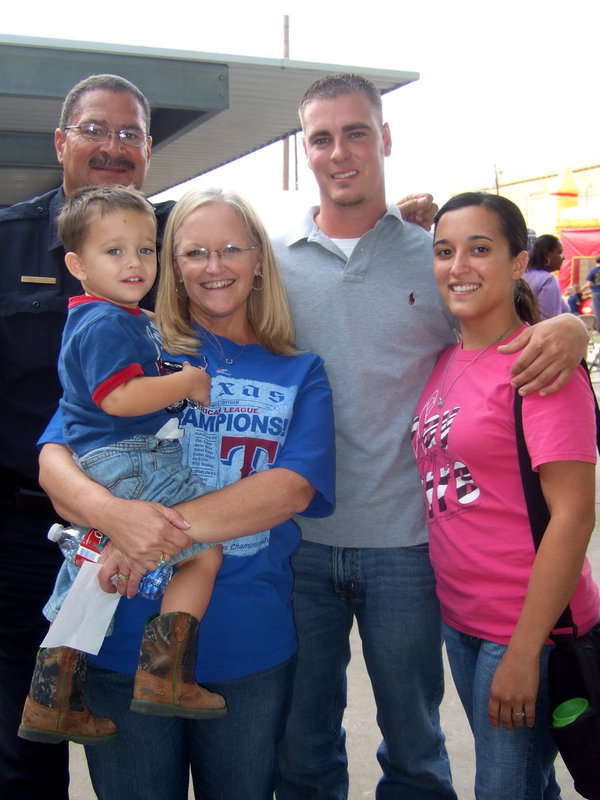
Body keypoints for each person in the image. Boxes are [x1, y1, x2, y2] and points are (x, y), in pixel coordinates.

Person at [272, 73, 590, 800]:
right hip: (302, 544)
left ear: (384, 139)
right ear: (305, 149)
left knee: (417, 749)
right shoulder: (272, 262)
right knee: (303, 746)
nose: (340, 151)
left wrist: (568, 327)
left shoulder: (433, 253)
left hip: (411, 551)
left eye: (357, 132)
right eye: (322, 137)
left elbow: (500, 327)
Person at [37, 186, 336, 799]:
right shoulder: (135, 347)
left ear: (259, 262)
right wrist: (116, 519)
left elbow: (288, 491)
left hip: (247, 648)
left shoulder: (299, 371)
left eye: (231, 249)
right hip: (119, 640)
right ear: (172, 266)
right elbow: (55, 463)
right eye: (194, 252)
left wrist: (151, 530)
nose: (214, 265)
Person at [0, 73, 182, 800]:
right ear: (61, 143)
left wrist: (536, 313)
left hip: (153, 525)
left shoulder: (181, 244)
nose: (113, 147)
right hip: (23, 533)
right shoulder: (8, 239)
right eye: (96, 130)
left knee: (140, 728)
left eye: (130, 134)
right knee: (25, 738)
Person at [19, 185, 231, 750]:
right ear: (76, 264)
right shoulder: (110, 323)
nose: (134, 263)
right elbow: (119, 398)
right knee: (202, 550)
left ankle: (51, 699)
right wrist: (186, 382)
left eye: (145, 249)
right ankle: (165, 676)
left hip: (104, 461)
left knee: (92, 575)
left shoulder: (103, 318)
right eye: (114, 252)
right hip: (128, 459)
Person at [412, 191, 600, 799]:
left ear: (519, 262)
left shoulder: (542, 366)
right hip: (463, 621)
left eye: (480, 249)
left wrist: (523, 651)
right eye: (445, 251)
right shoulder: (448, 359)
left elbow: (573, 517)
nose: (458, 265)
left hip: (526, 630)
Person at [524, 234, 568, 319]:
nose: (563, 257)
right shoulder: (548, 280)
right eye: (559, 252)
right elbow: (549, 319)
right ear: (546, 254)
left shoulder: (522, 275)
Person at [586, 255, 600, 330]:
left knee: (597, 311)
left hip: (596, 292)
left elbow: (588, 284)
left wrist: (592, 288)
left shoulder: (593, 270)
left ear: (596, 261)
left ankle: (598, 329)